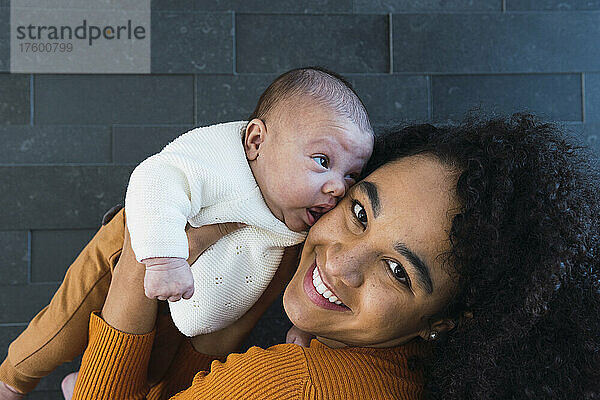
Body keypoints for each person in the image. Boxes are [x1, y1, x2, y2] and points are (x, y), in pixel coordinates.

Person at [68, 114, 599, 399]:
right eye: (361, 213)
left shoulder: (300, 384)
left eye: (398, 271)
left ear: (446, 320)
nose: (340, 263)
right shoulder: (400, 371)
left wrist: (145, 253)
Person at [0, 67, 374, 398]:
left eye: (350, 175)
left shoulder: (310, 214)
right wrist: (164, 255)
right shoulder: (218, 159)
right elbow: (155, 178)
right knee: (63, 328)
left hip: (202, 295)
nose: (337, 187)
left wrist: (308, 327)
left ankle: (83, 384)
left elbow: (314, 272)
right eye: (322, 161)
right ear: (257, 142)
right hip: (139, 248)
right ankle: (12, 379)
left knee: (159, 363)